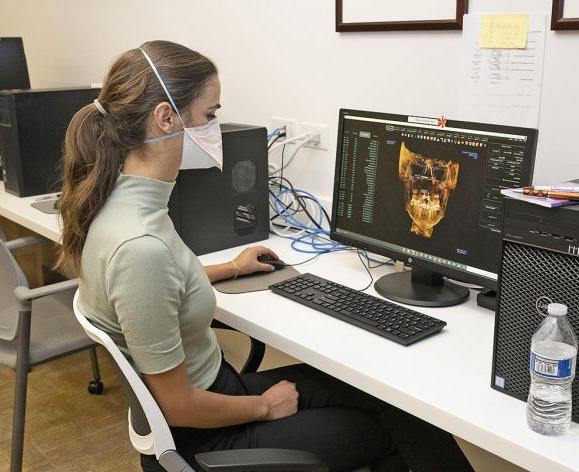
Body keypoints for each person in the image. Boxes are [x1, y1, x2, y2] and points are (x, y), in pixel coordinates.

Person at [57, 40, 471, 472]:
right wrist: (264, 407)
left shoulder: (117, 208)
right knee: (389, 429)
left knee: (388, 401)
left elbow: (160, 283)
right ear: (165, 118)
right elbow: (179, 406)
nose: (215, 129)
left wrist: (233, 267)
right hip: (207, 429)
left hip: (215, 392)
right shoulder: (139, 247)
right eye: (209, 115)